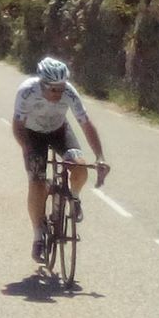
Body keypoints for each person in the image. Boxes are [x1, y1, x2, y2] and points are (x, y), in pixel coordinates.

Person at [12, 56, 108, 262]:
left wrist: (100, 157)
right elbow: (18, 126)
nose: (58, 93)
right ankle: (38, 235)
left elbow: (86, 125)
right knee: (36, 182)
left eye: (61, 88)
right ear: (42, 84)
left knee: (80, 167)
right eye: (53, 89)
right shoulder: (27, 91)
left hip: (59, 131)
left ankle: (74, 197)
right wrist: (27, 149)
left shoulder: (70, 93)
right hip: (33, 135)